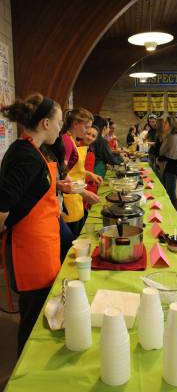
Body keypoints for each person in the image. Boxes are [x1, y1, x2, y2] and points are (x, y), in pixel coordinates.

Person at [0, 93, 63, 355]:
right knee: (32, 322)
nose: (61, 129)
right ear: (45, 123)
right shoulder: (26, 155)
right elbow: (3, 204)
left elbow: (30, 190)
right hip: (31, 255)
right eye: (59, 122)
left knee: (37, 316)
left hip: (42, 249)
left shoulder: (29, 150)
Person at [61, 108, 101, 238]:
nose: (87, 131)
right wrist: (84, 192)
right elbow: (62, 173)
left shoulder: (72, 140)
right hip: (69, 199)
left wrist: (90, 175)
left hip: (75, 196)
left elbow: (74, 170)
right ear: (75, 124)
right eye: (86, 127)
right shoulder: (67, 141)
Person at [157, 117, 177, 211]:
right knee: (169, 192)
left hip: (172, 168)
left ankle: (176, 215)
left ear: (171, 125)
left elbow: (171, 154)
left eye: (166, 123)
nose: (164, 125)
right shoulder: (170, 136)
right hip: (170, 167)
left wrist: (160, 158)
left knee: (171, 194)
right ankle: (171, 212)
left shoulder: (173, 137)